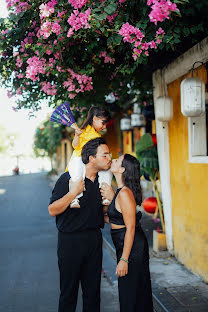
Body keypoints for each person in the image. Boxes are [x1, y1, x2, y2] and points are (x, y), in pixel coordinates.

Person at [48, 137, 112, 312]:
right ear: (91, 158)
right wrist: (73, 193)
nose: (109, 158)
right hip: (70, 242)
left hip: (94, 240)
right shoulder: (68, 178)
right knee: (68, 294)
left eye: (109, 154)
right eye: (104, 155)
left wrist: (111, 200)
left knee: (93, 294)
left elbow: (103, 214)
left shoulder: (103, 182)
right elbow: (52, 210)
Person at [101, 154, 153, 312]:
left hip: (131, 249)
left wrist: (124, 259)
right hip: (125, 245)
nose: (113, 160)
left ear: (122, 169)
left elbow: (130, 227)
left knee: (131, 295)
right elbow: (119, 220)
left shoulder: (124, 193)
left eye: (116, 160)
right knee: (133, 293)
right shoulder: (121, 191)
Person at [66, 106, 112, 208]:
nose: (104, 127)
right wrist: (77, 136)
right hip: (79, 158)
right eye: (103, 123)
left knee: (106, 170)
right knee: (77, 175)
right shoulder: (83, 131)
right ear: (95, 118)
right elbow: (75, 146)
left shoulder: (98, 136)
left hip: (92, 160)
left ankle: (105, 196)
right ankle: (75, 198)